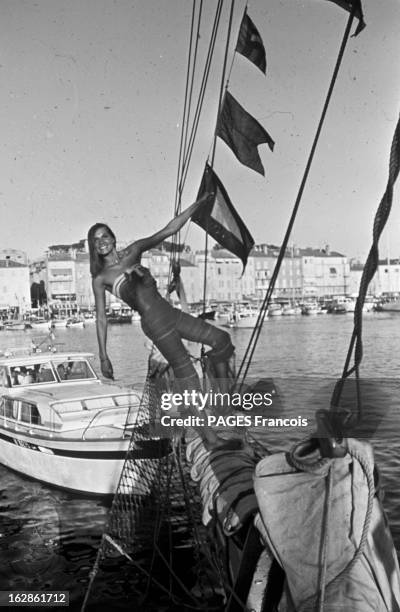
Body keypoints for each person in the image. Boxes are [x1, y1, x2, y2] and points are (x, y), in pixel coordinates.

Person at [88, 194, 234, 444]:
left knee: (222, 340)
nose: (101, 242)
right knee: (187, 375)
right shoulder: (101, 278)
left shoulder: (133, 251)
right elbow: (101, 319)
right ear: (93, 247)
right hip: (155, 323)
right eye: (95, 240)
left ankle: (222, 403)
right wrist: (103, 356)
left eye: (104, 236)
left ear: (112, 237)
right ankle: (211, 438)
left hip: (171, 313)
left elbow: (169, 229)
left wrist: (198, 204)